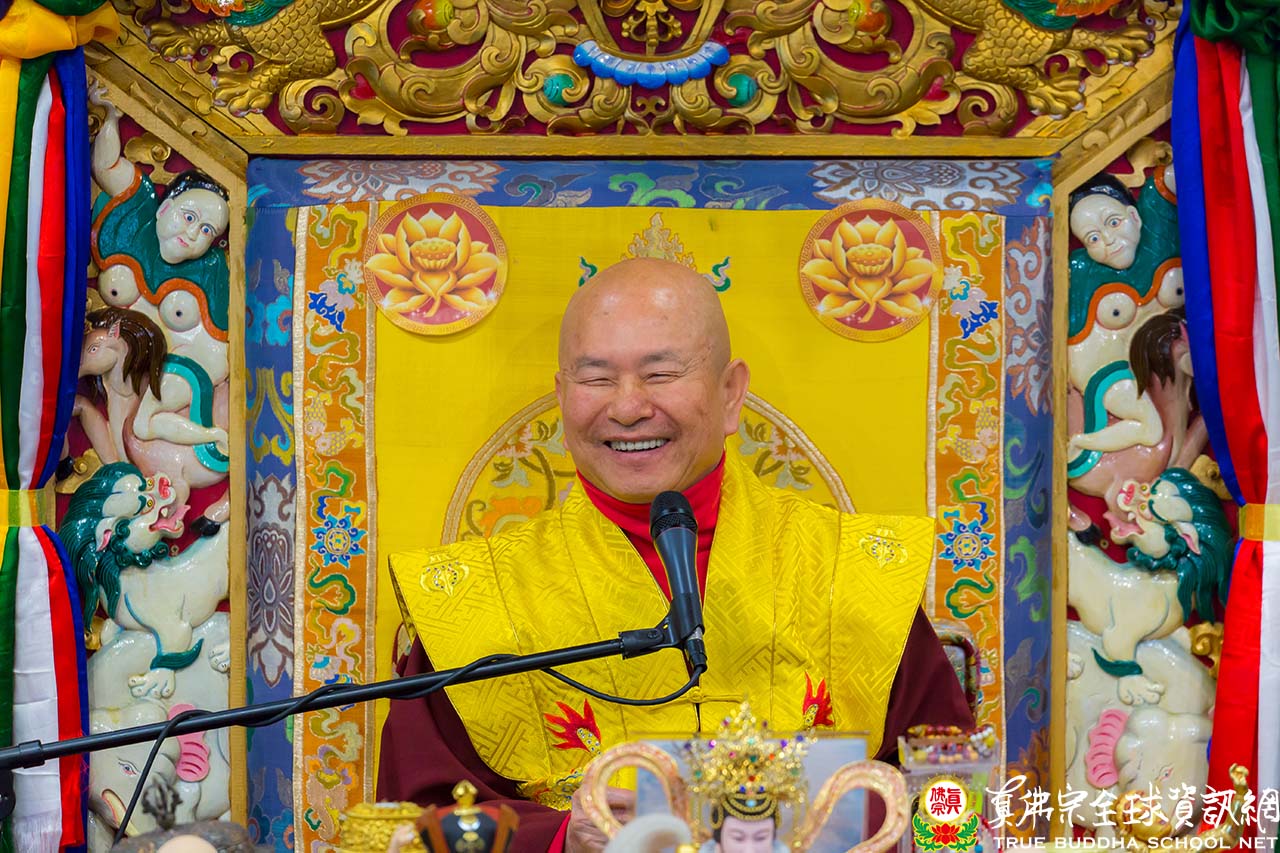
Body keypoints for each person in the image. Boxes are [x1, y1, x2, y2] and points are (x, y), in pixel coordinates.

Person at [378, 258, 974, 852]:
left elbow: (952, 798)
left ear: (731, 392)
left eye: (660, 374)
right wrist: (561, 840)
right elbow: (407, 828)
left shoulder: (853, 570)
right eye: (596, 378)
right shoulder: (477, 600)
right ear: (561, 396)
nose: (628, 407)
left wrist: (831, 822)